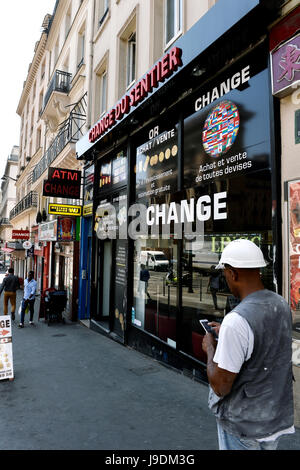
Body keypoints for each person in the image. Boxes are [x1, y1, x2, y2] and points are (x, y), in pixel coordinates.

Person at [202, 239, 295, 451]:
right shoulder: (280, 304)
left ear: (233, 274)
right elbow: (263, 342)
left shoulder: (237, 321)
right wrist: (226, 332)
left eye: (225, 274)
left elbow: (221, 386)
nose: (226, 279)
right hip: (274, 418)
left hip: (244, 425)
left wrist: (211, 350)